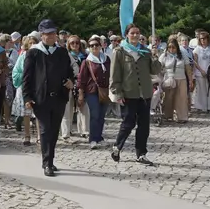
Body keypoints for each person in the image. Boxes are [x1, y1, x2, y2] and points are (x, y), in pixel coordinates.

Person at [22, 19, 73, 177]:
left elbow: (69, 71)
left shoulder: (62, 52)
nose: (51, 36)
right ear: (42, 35)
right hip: (40, 98)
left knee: (54, 130)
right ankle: (47, 163)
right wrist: (27, 97)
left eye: (53, 33)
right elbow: (26, 77)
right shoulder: (33, 52)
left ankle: (50, 159)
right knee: (45, 129)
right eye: (48, 34)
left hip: (59, 97)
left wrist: (71, 81)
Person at [110, 23, 161, 166]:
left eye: (137, 33)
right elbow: (114, 74)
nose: (135, 35)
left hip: (144, 93)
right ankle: (117, 147)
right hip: (128, 93)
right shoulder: (120, 51)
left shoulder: (145, 51)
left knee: (144, 126)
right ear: (127, 35)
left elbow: (155, 70)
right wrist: (117, 92)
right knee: (128, 123)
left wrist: (154, 56)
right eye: (132, 33)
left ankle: (141, 154)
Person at [78, 36, 110, 149]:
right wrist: (80, 94)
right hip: (92, 91)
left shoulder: (106, 59)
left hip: (105, 90)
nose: (94, 47)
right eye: (91, 46)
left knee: (102, 115)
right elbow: (81, 79)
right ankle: (93, 139)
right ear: (89, 48)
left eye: (96, 45)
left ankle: (99, 137)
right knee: (95, 115)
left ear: (100, 46)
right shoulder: (87, 61)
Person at [160, 36, 193, 124]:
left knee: (181, 98)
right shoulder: (164, 55)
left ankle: (182, 117)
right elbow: (159, 67)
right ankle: (167, 115)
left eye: (173, 47)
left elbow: (188, 67)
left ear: (177, 47)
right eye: (169, 47)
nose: (171, 49)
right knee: (168, 98)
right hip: (169, 79)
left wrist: (190, 80)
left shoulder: (183, 54)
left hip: (181, 79)